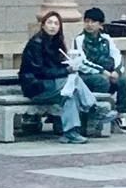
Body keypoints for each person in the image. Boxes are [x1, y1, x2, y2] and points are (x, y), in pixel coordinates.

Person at [18, 8, 97, 143]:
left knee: (69, 94)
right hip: (36, 86)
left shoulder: (56, 43)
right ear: (43, 25)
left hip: (52, 85)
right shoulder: (36, 43)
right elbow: (40, 72)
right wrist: (66, 71)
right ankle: (93, 108)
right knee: (73, 82)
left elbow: (58, 67)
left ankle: (70, 133)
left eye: (56, 23)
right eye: (49, 23)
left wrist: (69, 66)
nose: (53, 26)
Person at [74, 7, 126, 130]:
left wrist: (116, 71)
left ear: (100, 25)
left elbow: (117, 56)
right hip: (87, 75)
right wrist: (103, 72)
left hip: (108, 73)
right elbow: (83, 62)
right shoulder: (80, 39)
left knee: (124, 81)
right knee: (101, 81)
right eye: (87, 21)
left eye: (93, 22)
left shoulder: (106, 39)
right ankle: (98, 114)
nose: (89, 25)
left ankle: (119, 114)